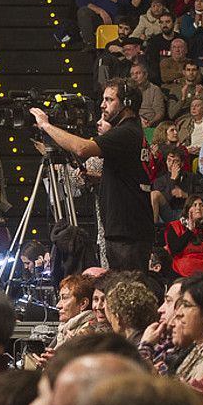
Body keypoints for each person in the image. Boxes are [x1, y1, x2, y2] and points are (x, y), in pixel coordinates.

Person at [31, 80, 152, 270]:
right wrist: (101, 180)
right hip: (127, 230)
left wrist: (46, 125)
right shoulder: (131, 131)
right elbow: (129, 175)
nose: (102, 105)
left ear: (126, 103)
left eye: (109, 99)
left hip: (127, 234)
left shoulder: (126, 132)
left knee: (126, 293)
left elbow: (81, 149)